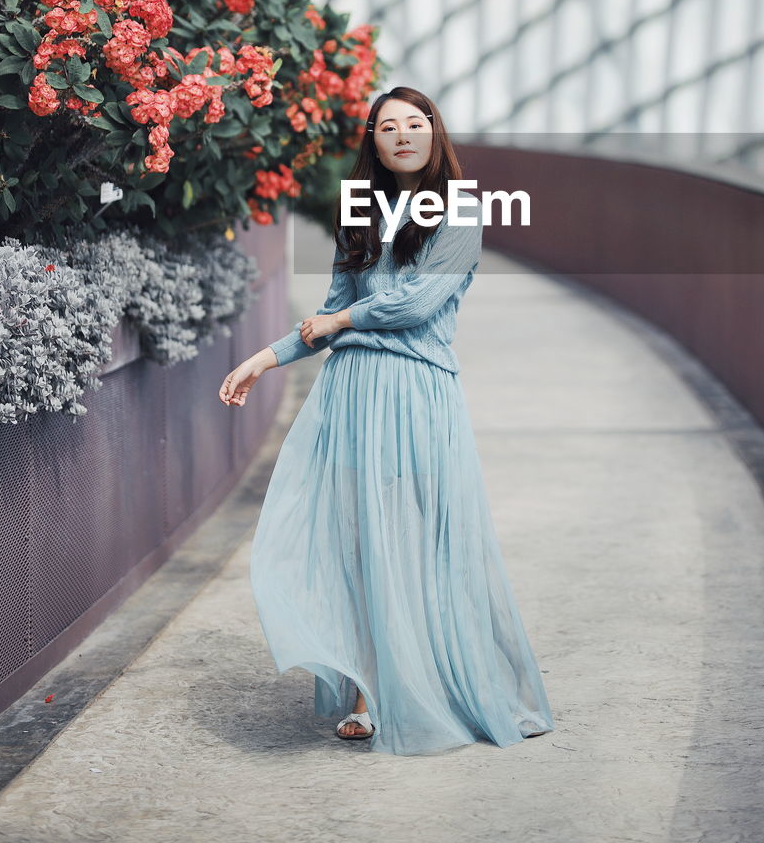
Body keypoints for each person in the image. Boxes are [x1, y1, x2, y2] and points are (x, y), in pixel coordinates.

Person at [219, 85, 554, 755]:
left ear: (435, 133)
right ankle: (370, 693)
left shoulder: (460, 209)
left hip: (415, 391)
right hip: (351, 392)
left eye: (414, 123)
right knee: (357, 539)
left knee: (412, 537)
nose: (401, 135)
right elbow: (330, 303)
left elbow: (416, 303)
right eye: (387, 127)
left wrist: (341, 322)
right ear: (372, 141)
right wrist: (267, 357)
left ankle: (419, 682)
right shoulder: (362, 208)